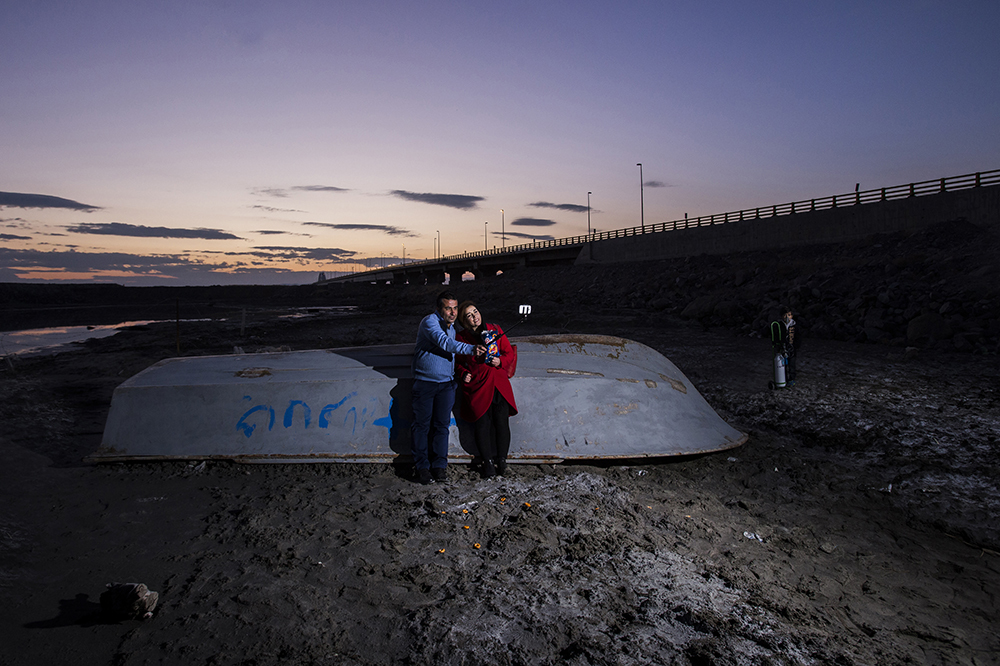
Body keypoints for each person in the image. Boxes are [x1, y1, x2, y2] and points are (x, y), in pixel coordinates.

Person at [411, 291, 486, 485]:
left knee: (441, 427)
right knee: (421, 426)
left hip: (446, 385)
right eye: (448, 308)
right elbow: (445, 344)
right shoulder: (430, 322)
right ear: (439, 309)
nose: (453, 312)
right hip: (426, 383)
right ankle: (422, 468)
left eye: (455, 308)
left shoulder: (451, 327)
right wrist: (471, 349)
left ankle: (439, 467)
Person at [455, 301, 518, 479]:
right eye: (469, 315)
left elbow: (508, 353)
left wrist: (500, 362)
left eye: (476, 311)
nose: (475, 316)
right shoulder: (461, 338)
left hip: (498, 384)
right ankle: (487, 462)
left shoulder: (495, 329)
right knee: (482, 425)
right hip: (478, 386)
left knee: (501, 424)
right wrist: (463, 373)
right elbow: (458, 362)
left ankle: (503, 461)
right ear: (464, 322)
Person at [781, 306, 797, 386]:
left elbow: (798, 338)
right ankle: (783, 379)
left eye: (789, 315)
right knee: (783, 365)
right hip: (783, 348)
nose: (787, 317)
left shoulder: (794, 325)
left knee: (792, 365)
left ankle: (791, 379)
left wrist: (795, 347)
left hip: (792, 349)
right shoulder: (779, 325)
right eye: (785, 315)